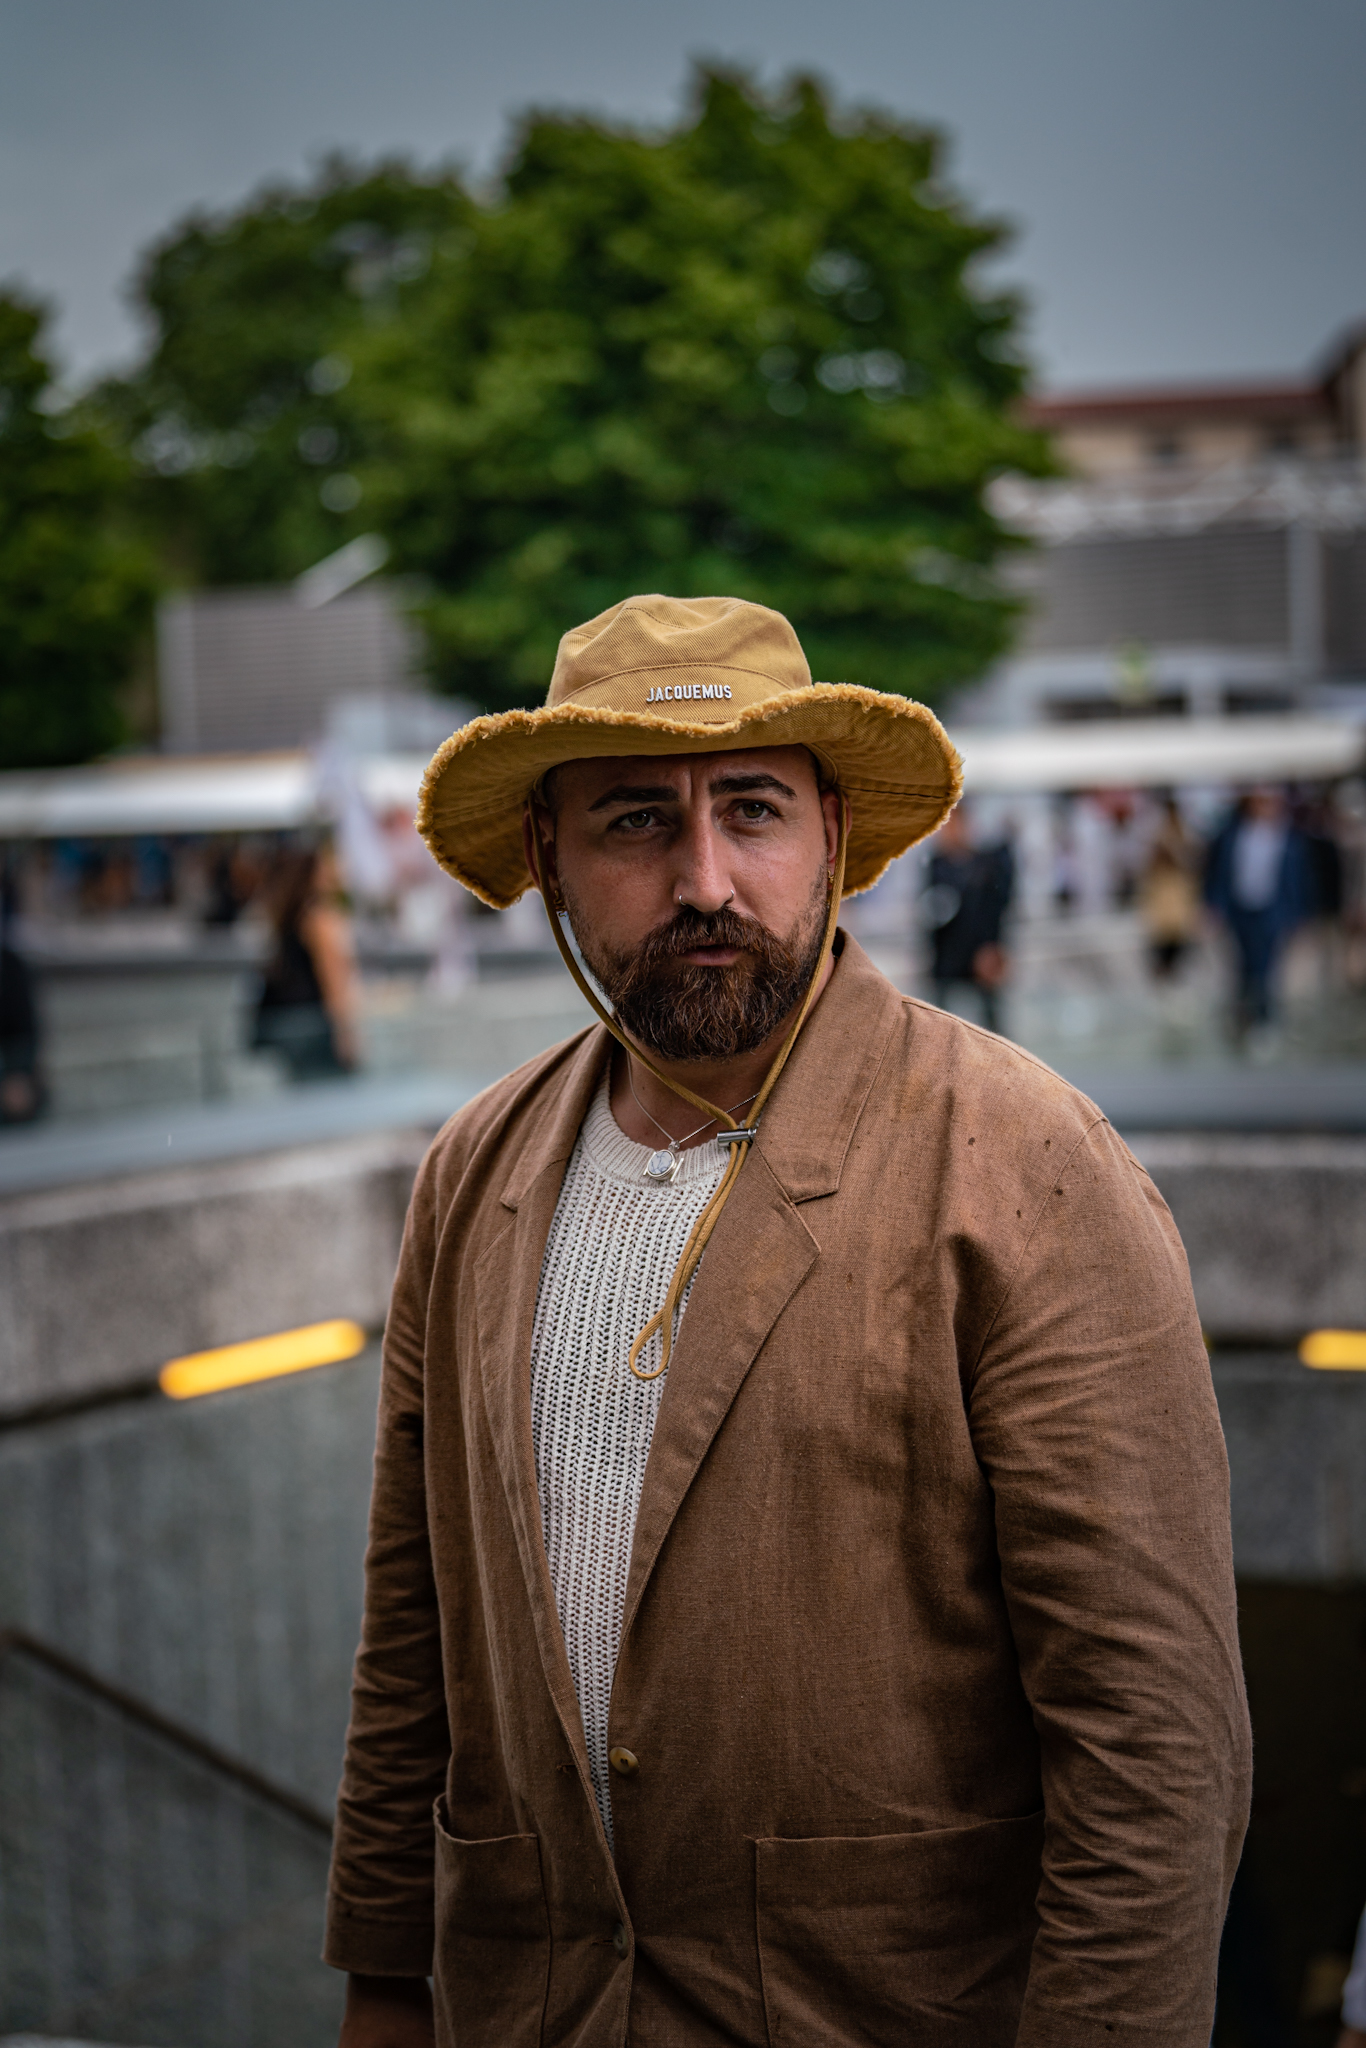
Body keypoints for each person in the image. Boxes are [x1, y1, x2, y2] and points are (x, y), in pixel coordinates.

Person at [325, 595, 1250, 2048]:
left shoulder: (1021, 1162)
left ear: (830, 834)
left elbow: (1152, 1745)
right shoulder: (476, 1173)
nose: (705, 879)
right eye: (634, 822)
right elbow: (410, 1634)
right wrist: (384, 1983)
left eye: (749, 810)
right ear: (543, 861)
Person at [1204, 788, 1312, 1038]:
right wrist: (1214, 906)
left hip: (1272, 910)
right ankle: (1242, 1018)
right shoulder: (1233, 834)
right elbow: (1220, 873)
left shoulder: (1287, 837)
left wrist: (1299, 914)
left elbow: (1298, 879)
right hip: (1241, 908)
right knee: (1242, 965)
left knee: (1267, 966)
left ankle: (1265, 1019)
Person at [253, 842, 359, 1078]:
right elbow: (334, 980)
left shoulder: (295, 914)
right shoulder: (321, 917)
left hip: (291, 1026)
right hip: (317, 1026)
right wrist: (347, 1034)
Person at [922, 801, 1013, 1031]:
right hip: (947, 957)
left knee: (991, 1023)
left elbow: (995, 911)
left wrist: (992, 947)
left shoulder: (986, 866)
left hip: (979, 954)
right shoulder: (937, 866)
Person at [1139, 795, 1204, 981]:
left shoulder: (1186, 838)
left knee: (1178, 954)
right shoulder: (1156, 838)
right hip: (1162, 909)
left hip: (1179, 909)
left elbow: (1193, 866)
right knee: (1161, 953)